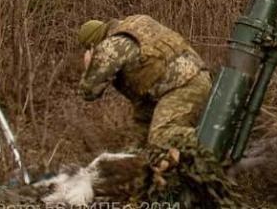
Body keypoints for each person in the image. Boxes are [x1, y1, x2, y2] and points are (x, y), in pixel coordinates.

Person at [77, 14, 212, 150]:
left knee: (160, 136)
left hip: (182, 87)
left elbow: (88, 92)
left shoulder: (111, 46)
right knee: (137, 143)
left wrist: (90, 65)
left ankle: (216, 139)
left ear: (92, 45)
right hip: (199, 77)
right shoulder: (137, 22)